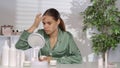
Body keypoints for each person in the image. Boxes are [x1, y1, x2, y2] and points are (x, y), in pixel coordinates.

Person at [15, 8, 82, 64]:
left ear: (58, 21)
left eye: (49, 23)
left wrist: (53, 60)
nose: (45, 26)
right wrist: (34, 26)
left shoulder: (67, 37)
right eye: (44, 23)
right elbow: (19, 46)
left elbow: (78, 58)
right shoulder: (39, 35)